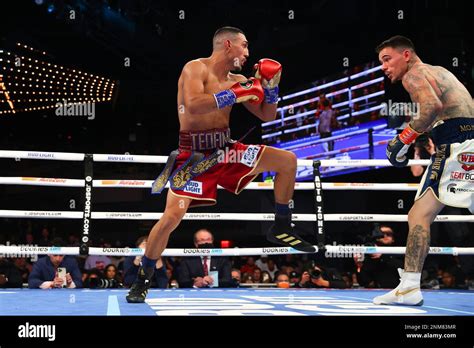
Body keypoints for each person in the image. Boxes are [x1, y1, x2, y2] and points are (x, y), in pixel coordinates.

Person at [127, 26, 315, 303]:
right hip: (194, 156)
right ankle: (143, 279)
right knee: (170, 219)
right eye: (245, 46)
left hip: (226, 149)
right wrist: (236, 93)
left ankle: (282, 226)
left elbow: (267, 115)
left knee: (287, 161)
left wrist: (271, 89)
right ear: (228, 45)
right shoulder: (195, 69)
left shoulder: (238, 79)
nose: (248, 53)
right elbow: (193, 105)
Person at [375, 35, 474, 306]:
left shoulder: (413, 75)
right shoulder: (440, 71)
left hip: (456, 144)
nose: (384, 67)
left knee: (419, 215)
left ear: (406, 55)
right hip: (467, 140)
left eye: (387, 59)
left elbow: (432, 108)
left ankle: (409, 287)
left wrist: (402, 139)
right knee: (421, 213)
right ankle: (407, 286)